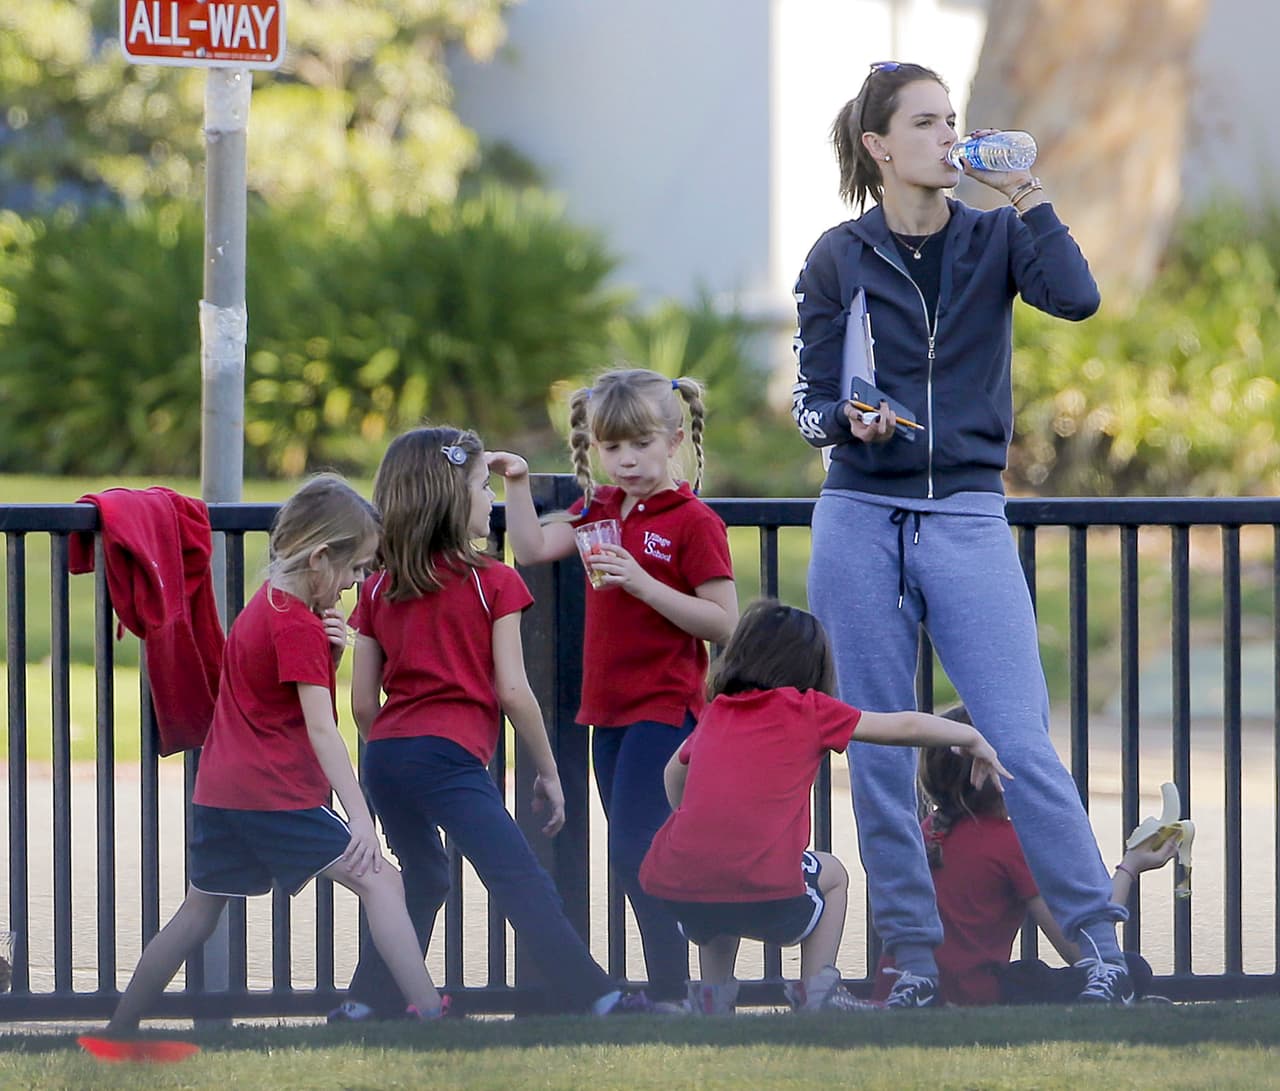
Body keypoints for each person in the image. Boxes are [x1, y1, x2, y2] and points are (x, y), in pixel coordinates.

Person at [789, 61, 1120, 1008]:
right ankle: (915, 966)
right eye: (927, 124)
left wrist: (1029, 193)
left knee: (1019, 739)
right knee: (880, 753)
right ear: (879, 146)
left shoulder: (995, 238)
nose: (949, 137)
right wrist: (846, 423)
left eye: (952, 120)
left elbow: (1077, 296)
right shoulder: (835, 256)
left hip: (968, 513)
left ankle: (1100, 947)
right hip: (857, 514)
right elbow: (812, 404)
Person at [105, 476, 443, 1035]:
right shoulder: (297, 627)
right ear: (319, 559)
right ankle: (431, 1014)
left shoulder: (267, 605)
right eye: (356, 568)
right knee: (383, 881)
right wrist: (360, 816)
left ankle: (118, 1030)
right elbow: (321, 727)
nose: (357, 584)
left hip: (221, 793)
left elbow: (276, 698)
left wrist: (328, 653)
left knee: (195, 916)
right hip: (274, 795)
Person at [332, 426, 647, 1021]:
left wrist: (392, 752)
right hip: (447, 757)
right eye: (482, 487)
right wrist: (550, 772)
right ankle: (597, 996)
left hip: (387, 757)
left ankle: (364, 1005)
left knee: (424, 878)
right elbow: (512, 690)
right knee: (517, 876)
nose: (490, 500)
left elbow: (362, 705)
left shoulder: (375, 586)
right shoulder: (492, 581)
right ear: (453, 500)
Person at [494, 367, 739, 1005]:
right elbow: (529, 548)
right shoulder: (598, 509)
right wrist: (517, 482)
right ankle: (676, 989)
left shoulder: (692, 521)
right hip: (607, 711)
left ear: (675, 438)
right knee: (633, 853)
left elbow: (723, 622)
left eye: (640, 444)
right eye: (612, 448)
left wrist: (641, 582)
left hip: (666, 707)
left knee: (637, 849)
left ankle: (678, 985)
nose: (626, 461)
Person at [637, 601, 1010, 1016]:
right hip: (767, 896)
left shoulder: (718, 713)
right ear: (813, 667)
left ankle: (712, 995)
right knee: (833, 874)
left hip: (680, 888)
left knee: (716, 880)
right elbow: (903, 726)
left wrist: (699, 822)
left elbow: (673, 775)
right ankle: (818, 991)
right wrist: (970, 738)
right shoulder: (809, 710)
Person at [869, 705, 1178, 1006]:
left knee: (1029, 972)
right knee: (1132, 968)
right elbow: (1082, 951)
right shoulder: (1009, 842)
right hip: (971, 996)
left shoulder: (927, 831)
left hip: (899, 990)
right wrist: (1130, 865)